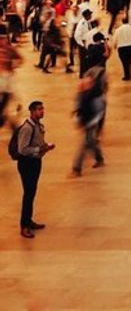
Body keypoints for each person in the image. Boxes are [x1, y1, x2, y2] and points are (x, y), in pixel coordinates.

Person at [14, 100, 55, 238]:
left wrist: (45, 147)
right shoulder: (27, 128)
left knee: (31, 193)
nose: (42, 111)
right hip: (27, 164)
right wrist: (40, 149)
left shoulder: (38, 125)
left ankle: (28, 220)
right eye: (38, 109)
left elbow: (37, 143)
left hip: (36, 162)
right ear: (31, 111)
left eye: (42, 109)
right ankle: (24, 226)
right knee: (28, 194)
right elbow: (22, 149)